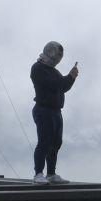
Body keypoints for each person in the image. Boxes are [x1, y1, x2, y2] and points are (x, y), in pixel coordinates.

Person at [30, 41, 79, 184]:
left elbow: (62, 87)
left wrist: (72, 77)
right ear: (49, 52)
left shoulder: (55, 72)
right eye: (57, 54)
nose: (58, 58)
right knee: (44, 142)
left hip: (56, 111)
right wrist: (69, 77)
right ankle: (38, 174)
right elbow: (54, 85)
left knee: (56, 142)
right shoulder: (37, 68)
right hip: (43, 110)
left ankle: (51, 173)